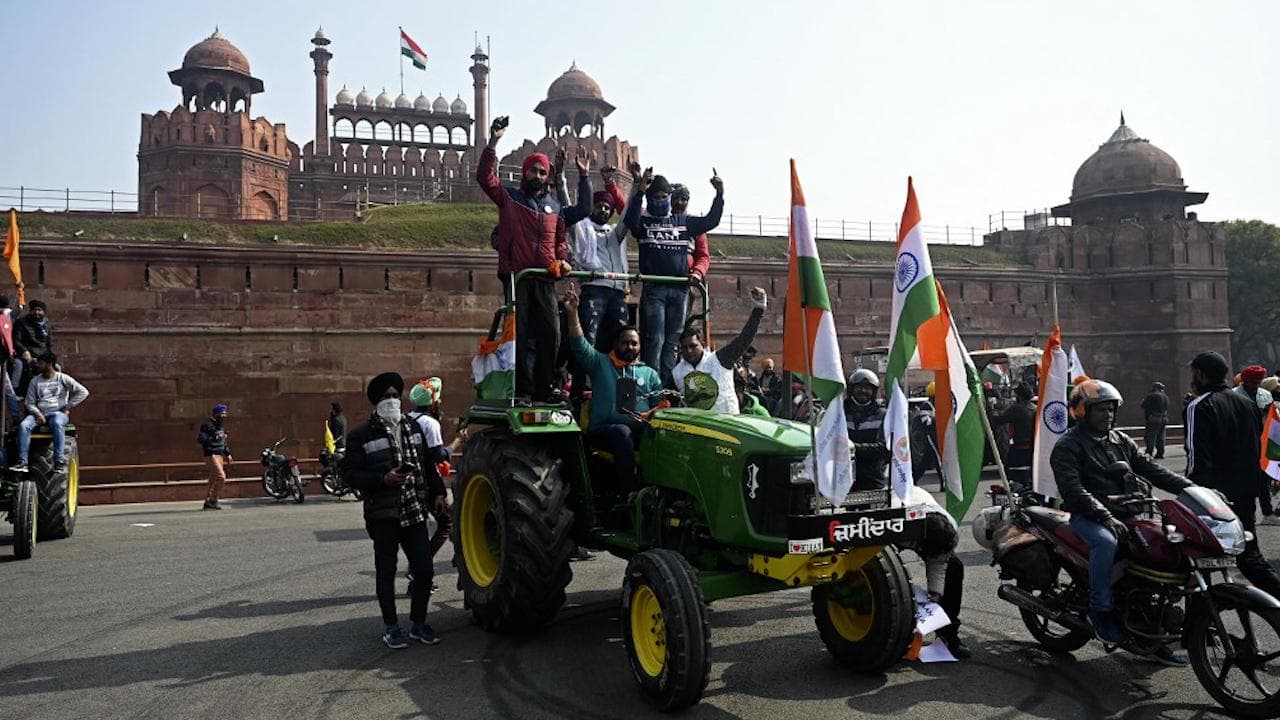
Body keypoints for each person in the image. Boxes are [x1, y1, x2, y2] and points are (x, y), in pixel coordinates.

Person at [1050, 378, 1192, 665]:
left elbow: (1154, 470)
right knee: (1106, 541)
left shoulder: (1121, 440)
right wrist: (1105, 516)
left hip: (1128, 513)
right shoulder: (1068, 445)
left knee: (1162, 546)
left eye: (1111, 409)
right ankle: (1099, 611)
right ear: (1083, 411)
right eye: (1101, 410)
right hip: (1088, 517)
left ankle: (1151, 628)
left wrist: (1193, 489)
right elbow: (1074, 491)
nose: (1109, 415)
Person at [477, 116, 587, 402]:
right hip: (518, 276)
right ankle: (524, 391)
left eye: (542, 172)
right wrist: (493, 142)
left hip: (545, 278)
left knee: (551, 335)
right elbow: (485, 179)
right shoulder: (511, 198)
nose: (538, 176)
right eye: (534, 171)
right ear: (525, 172)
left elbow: (560, 239)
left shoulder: (554, 206)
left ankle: (544, 389)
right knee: (522, 336)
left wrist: (562, 261)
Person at [344, 372, 446, 649]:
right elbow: (350, 475)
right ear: (376, 401)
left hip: (414, 511)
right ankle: (391, 627)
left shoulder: (413, 429)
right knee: (386, 573)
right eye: (386, 397)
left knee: (424, 571)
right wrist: (382, 479)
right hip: (383, 515)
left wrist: (438, 493)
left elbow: (427, 466)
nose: (391, 400)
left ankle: (418, 622)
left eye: (394, 396)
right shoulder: (360, 436)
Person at [1185, 351, 1280, 599]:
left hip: (1214, 498)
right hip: (1246, 491)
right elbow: (1258, 448)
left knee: (1195, 560)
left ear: (1200, 375)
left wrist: (1193, 493)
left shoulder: (1200, 405)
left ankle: (1198, 622)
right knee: (1250, 559)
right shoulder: (1247, 404)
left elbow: (1197, 459)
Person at [623, 167, 722, 386]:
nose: (660, 201)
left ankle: (667, 386)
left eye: (663, 197)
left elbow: (711, 221)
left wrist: (719, 194)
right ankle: (651, 384)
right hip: (655, 288)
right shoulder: (645, 223)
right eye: (655, 197)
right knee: (655, 338)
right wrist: (639, 190)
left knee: (672, 341)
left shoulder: (684, 223)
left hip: (680, 289)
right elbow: (630, 221)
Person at [563, 285, 661, 493]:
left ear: (640, 347)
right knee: (621, 431)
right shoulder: (601, 364)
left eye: (634, 343)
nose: (630, 347)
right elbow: (579, 344)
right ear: (616, 344)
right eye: (625, 343)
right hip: (605, 432)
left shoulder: (649, 373)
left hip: (639, 432)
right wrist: (572, 312)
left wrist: (653, 414)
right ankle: (630, 494)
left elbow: (660, 406)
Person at [565, 163, 629, 398]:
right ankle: (578, 392)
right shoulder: (582, 229)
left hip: (618, 291)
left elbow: (629, 214)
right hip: (594, 290)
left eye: (607, 207)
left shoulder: (615, 233)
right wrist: (563, 177)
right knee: (587, 342)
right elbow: (568, 207)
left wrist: (638, 188)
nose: (604, 210)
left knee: (622, 343)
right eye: (599, 206)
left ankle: (621, 393)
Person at [900, 485, 969, 658]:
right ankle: (891, 635)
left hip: (924, 520)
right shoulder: (902, 525)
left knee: (954, 567)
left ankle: (948, 633)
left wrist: (935, 593)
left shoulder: (949, 530)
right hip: (896, 522)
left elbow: (938, 563)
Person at [672, 287, 767, 412]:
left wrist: (758, 308)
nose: (689, 351)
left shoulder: (719, 359)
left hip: (727, 424)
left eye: (693, 346)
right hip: (698, 428)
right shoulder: (677, 372)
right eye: (684, 348)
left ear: (703, 344)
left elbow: (744, 339)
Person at [407, 380, 463, 566]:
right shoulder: (430, 424)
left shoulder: (406, 419)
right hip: (428, 483)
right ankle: (420, 568)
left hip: (409, 483)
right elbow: (438, 456)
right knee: (446, 524)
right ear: (434, 403)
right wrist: (457, 441)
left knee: (419, 528)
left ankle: (419, 570)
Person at [844, 369, 889, 492]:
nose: (863, 391)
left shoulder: (882, 415)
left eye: (867, 388)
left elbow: (885, 448)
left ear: (873, 391)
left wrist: (853, 448)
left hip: (872, 477)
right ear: (851, 389)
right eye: (859, 387)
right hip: (843, 476)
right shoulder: (840, 413)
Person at [991, 383, 1035, 476]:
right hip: (1032, 447)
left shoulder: (1017, 409)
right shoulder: (1035, 408)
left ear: (1019, 396)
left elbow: (999, 420)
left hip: (1020, 447)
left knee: (1007, 473)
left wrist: (991, 409)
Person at [13, 299, 53, 395]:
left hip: (42, 355)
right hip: (27, 354)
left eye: (39, 310)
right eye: (34, 310)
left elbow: (49, 343)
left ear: (44, 312)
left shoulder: (46, 324)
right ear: (30, 311)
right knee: (20, 366)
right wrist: (24, 351)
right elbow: (16, 340)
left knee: (56, 369)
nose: (37, 313)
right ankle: (15, 391)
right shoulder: (22, 322)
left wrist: (50, 357)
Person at [197, 403, 232, 510]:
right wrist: (216, 437)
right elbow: (201, 440)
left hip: (220, 454)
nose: (224, 416)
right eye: (222, 414)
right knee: (221, 477)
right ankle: (213, 500)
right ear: (216, 414)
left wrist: (228, 453)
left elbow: (223, 442)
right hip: (211, 454)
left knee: (213, 479)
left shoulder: (220, 425)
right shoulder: (207, 425)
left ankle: (208, 501)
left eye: (225, 413)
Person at [1140, 382, 1169, 459]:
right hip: (1164, 418)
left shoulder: (1152, 395)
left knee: (1151, 436)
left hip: (1154, 418)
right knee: (1161, 436)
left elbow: (1143, 405)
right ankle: (1160, 453)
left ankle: (1149, 452)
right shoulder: (1165, 396)